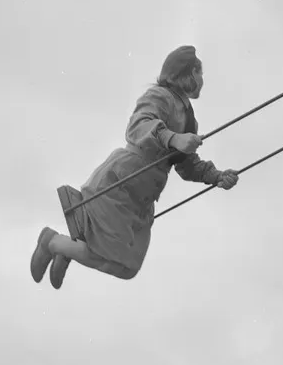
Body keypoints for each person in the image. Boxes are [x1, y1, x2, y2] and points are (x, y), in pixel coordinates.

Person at [30, 45, 239, 288]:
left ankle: (65, 248)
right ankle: (52, 242)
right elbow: (139, 125)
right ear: (189, 73)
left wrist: (216, 176)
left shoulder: (189, 119)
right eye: (200, 72)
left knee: (127, 267)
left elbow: (187, 165)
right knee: (106, 252)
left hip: (142, 197)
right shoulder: (160, 96)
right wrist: (173, 138)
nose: (202, 79)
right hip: (123, 180)